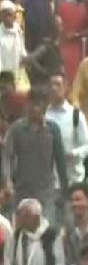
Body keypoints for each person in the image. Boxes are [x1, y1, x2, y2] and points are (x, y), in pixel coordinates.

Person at [2, 85, 69, 225]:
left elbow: (61, 162)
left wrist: (64, 190)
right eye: (32, 104)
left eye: (39, 104)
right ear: (27, 105)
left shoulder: (53, 129)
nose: (35, 109)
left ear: (45, 105)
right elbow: (7, 156)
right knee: (21, 231)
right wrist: (7, 181)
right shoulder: (17, 129)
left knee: (47, 231)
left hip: (46, 193)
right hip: (22, 190)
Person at [4, 198, 66, 265]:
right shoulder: (15, 236)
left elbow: (59, 263)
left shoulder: (52, 236)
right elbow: (8, 260)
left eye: (25, 217)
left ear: (36, 217)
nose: (20, 220)